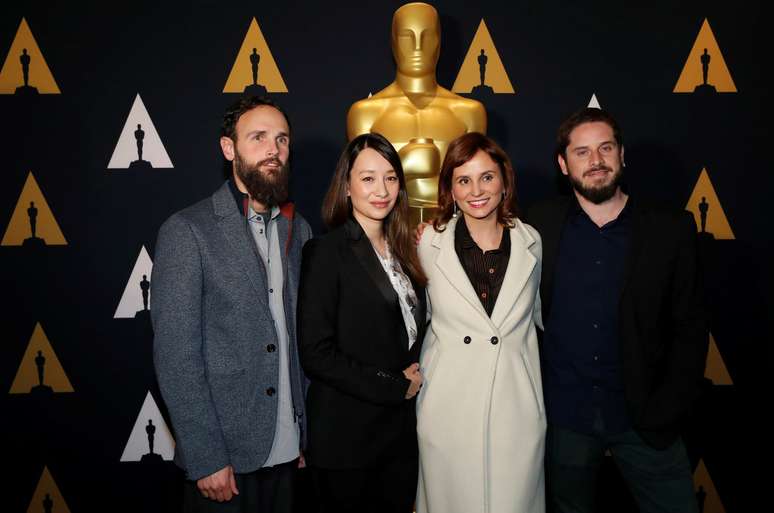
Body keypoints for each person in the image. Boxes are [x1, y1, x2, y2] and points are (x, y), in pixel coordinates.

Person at [527, 107, 708, 513]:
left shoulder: (670, 229)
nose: (595, 161)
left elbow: (690, 329)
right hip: (565, 419)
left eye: (605, 148)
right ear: (563, 163)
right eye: (582, 152)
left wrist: (669, 407)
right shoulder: (536, 225)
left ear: (621, 155)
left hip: (644, 421)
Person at [152, 96, 312, 512]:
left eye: (281, 139)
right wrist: (206, 457)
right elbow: (176, 357)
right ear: (229, 149)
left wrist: (303, 434)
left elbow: (301, 342)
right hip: (225, 461)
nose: (273, 149)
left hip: (288, 453)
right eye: (257, 138)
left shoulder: (301, 230)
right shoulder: (188, 230)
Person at [416, 132, 545, 513]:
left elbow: (538, 320)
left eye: (487, 177)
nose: (477, 190)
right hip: (447, 409)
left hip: (515, 410)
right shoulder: (427, 243)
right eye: (463, 180)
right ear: (450, 190)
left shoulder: (532, 242)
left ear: (504, 181)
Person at [298, 132, 428, 513]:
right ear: (348, 186)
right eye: (368, 178)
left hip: (399, 440)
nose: (381, 189)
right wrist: (394, 386)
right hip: (346, 442)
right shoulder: (326, 252)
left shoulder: (408, 252)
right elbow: (316, 353)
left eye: (390, 177)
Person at [347, 2, 486, 221]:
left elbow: (476, 183)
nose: (418, 47)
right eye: (406, 36)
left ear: (440, 42)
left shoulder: (469, 112)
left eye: (427, 36)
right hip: (388, 232)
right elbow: (360, 181)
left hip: (450, 233)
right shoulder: (366, 113)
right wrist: (404, 163)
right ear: (393, 42)